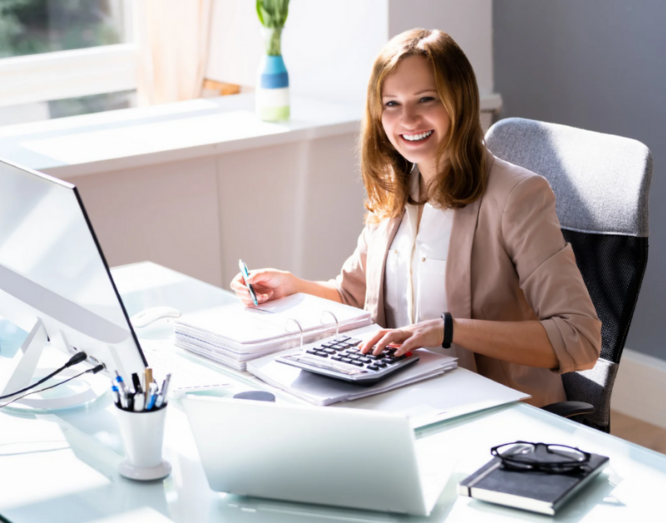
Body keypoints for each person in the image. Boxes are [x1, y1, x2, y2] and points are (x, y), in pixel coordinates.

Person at [229, 28, 600, 406]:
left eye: (426, 99)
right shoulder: (394, 190)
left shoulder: (516, 196)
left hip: (493, 413)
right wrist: (294, 285)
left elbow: (579, 338)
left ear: (460, 101)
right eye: (391, 103)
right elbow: (354, 296)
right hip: (403, 396)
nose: (407, 119)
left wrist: (447, 330)